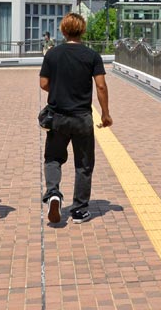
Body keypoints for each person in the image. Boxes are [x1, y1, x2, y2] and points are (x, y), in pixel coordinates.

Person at [40, 13, 111, 224]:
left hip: (58, 116)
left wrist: (60, 91)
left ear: (63, 30)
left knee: (53, 158)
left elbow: (44, 83)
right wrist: (105, 113)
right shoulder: (91, 55)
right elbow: (100, 86)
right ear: (83, 30)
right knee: (84, 164)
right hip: (82, 117)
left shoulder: (52, 54)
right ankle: (79, 210)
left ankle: (53, 193)